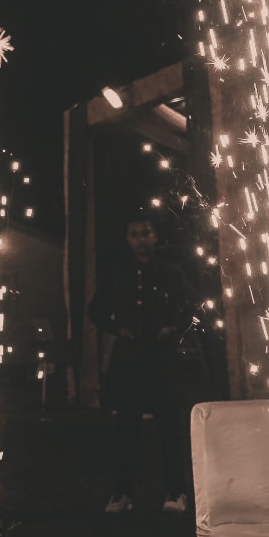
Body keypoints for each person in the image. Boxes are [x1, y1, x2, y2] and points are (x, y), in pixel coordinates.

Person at [89, 214, 195, 515]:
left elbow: (190, 306)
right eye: (134, 234)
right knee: (127, 428)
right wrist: (118, 329)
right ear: (127, 239)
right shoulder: (119, 274)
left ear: (155, 236)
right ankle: (122, 493)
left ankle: (175, 491)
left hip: (162, 358)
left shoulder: (171, 272)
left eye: (146, 233)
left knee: (168, 427)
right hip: (130, 358)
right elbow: (96, 310)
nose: (141, 240)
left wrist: (173, 328)